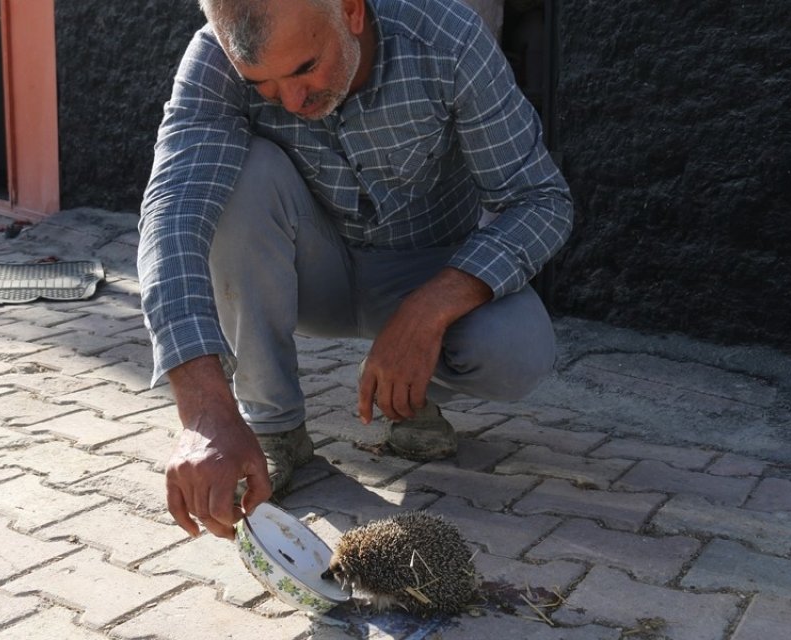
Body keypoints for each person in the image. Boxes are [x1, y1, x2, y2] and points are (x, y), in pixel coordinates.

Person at [140, 0, 573, 540]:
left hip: (428, 265)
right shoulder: (212, 59)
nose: (293, 101)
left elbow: (541, 201)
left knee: (518, 351)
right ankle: (274, 429)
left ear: (351, 10)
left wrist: (427, 310)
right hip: (310, 276)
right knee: (236, 179)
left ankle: (412, 397)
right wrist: (204, 410)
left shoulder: (447, 38)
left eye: (304, 68)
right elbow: (171, 213)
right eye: (264, 86)